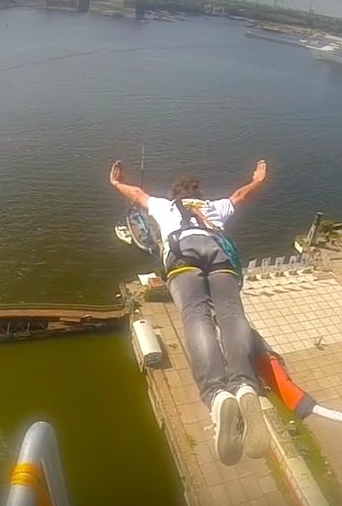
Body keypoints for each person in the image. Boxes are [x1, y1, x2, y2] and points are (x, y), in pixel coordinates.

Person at [109, 158, 269, 466]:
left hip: (183, 255)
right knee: (232, 316)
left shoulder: (164, 206)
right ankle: (244, 385)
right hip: (219, 253)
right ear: (198, 192)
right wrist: (258, 179)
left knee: (196, 316)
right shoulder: (213, 206)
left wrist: (116, 182)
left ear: (175, 194)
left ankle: (216, 394)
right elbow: (240, 196)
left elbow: (138, 195)